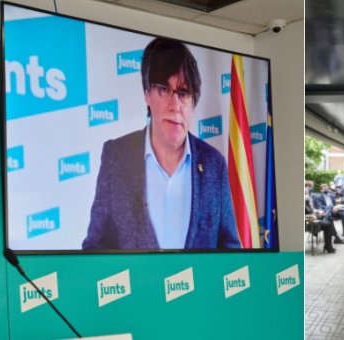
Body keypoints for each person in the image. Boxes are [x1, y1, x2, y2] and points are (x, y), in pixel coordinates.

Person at [83, 38, 240, 250]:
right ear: (147, 93)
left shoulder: (214, 164)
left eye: (183, 93)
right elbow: (94, 248)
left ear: (193, 102)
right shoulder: (116, 157)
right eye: (164, 89)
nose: (175, 105)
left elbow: (230, 250)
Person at [305, 184, 335, 253]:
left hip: (314, 219)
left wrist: (318, 212)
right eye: (306, 193)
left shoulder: (308, 201)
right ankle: (328, 247)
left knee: (329, 223)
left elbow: (313, 210)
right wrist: (312, 215)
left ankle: (328, 246)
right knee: (328, 224)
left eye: (308, 193)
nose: (308, 194)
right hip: (308, 222)